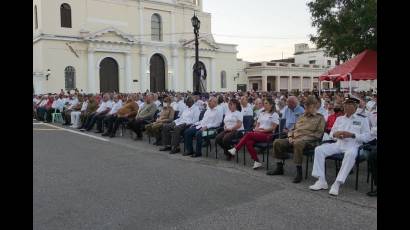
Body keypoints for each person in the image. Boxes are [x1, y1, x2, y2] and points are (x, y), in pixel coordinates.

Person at [309, 95, 372, 196]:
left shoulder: (362, 119)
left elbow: (367, 137)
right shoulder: (340, 119)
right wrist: (335, 134)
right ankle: (321, 180)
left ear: (355, 107)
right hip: (338, 144)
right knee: (319, 149)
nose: (346, 107)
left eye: (349, 105)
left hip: (353, 145)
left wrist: (352, 135)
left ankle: (337, 183)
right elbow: (331, 133)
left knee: (350, 154)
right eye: (345, 105)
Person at [266, 96, 326, 183]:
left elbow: (318, 135)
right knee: (277, 142)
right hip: (295, 138)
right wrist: (290, 137)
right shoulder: (301, 117)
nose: (306, 108)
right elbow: (293, 129)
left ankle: (299, 172)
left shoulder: (320, 118)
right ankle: (279, 167)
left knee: (298, 143)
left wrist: (301, 138)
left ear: (314, 106)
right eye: (306, 105)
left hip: (309, 141)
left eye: (309, 106)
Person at [228, 98, 279, 169]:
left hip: (268, 135)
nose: (264, 104)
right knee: (248, 142)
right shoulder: (262, 113)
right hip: (258, 133)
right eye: (264, 103)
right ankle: (257, 161)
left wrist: (262, 131)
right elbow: (257, 125)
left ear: (271, 105)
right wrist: (257, 129)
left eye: (266, 103)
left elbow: (273, 128)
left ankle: (236, 149)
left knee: (248, 134)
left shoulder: (274, 114)